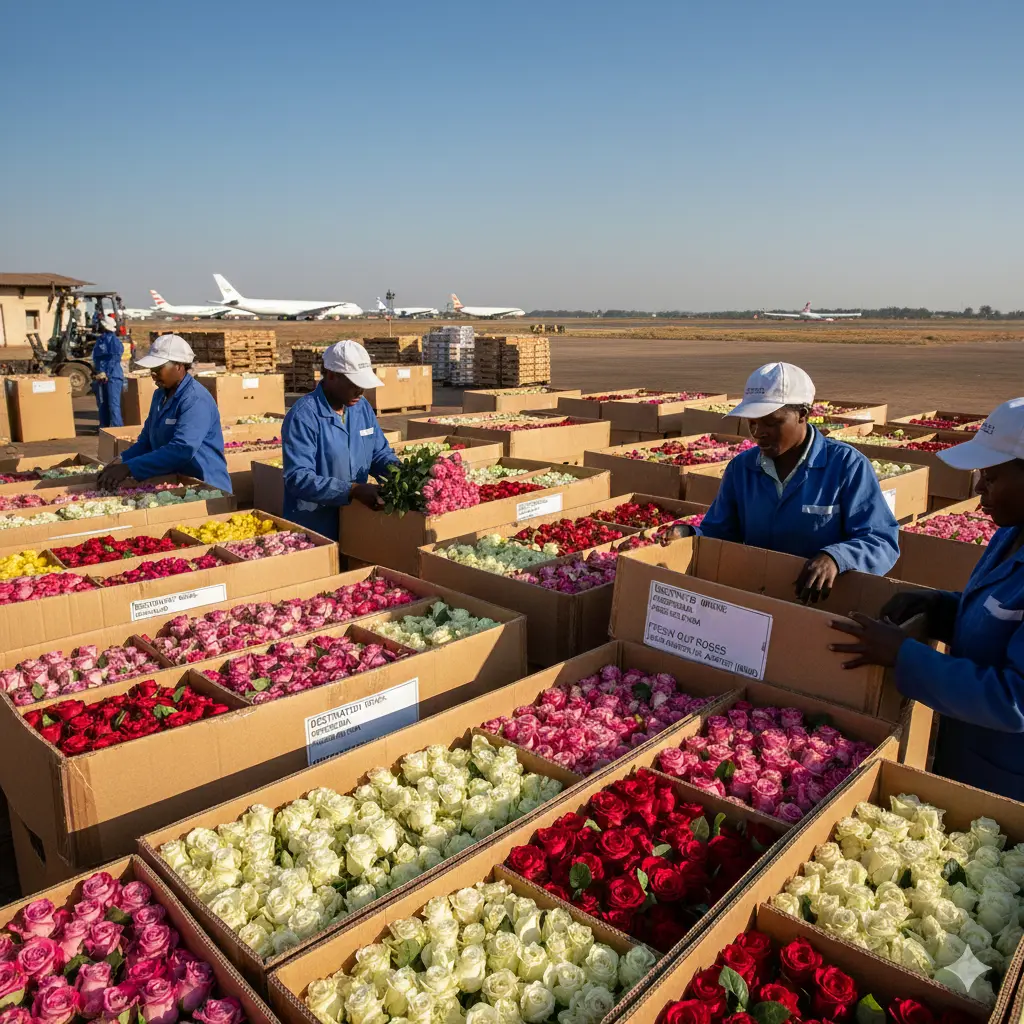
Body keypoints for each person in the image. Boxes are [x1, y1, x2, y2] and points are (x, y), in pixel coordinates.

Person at [829, 397, 1024, 800]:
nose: (977, 488)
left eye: (991, 475)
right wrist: (938, 608)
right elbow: (997, 618)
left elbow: (1014, 700)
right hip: (968, 751)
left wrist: (904, 655)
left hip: (1008, 781)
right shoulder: (1010, 531)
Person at [664, 362, 900, 601]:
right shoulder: (742, 468)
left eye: (772, 422)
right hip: (758, 598)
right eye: (752, 422)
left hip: (822, 604)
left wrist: (837, 558)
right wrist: (690, 533)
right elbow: (721, 531)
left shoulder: (847, 466)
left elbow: (881, 540)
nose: (758, 432)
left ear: (803, 415)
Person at [282, 340, 399, 541]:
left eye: (363, 385)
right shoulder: (304, 415)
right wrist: (352, 490)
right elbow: (298, 478)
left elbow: (378, 453)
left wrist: (400, 473)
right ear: (331, 375)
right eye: (354, 384)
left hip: (354, 518)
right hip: (314, 524)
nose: (360, 391)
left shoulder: (361, 408)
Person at [96, 334, 231, 493]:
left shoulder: (195, 399)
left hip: (207, 486)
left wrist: (130, 467)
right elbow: (146, 443)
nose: (153, 373)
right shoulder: (160, 396)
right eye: (152, 369)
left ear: (179, 366)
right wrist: (121, 461)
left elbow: (182, 449)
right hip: (177, 483)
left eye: (159, 368)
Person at [92, 315, 125, 428]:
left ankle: (117, 428)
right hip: (101, 376)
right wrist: (98, 371)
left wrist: (106, 372)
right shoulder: (100, 340)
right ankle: (104, 428)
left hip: (113, 377)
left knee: (113, 404)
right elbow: (97, 358)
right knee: (102, 403)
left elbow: (115, 358)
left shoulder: (114, 341)